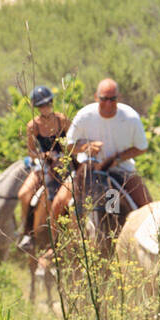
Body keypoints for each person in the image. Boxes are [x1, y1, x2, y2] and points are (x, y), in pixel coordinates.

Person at [56, 78, 151, 218]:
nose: (108, 103)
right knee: (58, 203)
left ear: (119, 98)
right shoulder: (85, 115)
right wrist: (85, 147)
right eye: (104, 99)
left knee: (147, 208)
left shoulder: (130, 117)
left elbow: (141, 147)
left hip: (120, 170)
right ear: (96, 97)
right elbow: (68, 146)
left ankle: (148, 237)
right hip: (87, 171)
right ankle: (45, 238)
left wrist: (118, 159)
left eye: (112, 99)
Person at [17, 86, 70, 252]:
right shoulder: (33, 125)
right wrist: (45, 155)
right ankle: (26, 233)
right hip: (44, 164)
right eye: (41, 105)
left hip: (64, 162)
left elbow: (73, 142)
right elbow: (31, 152)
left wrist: (64, 156)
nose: (45, 108)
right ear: (36, 107)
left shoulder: (63, 120)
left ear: (52, 103)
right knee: (24, 194)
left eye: (47, 104)